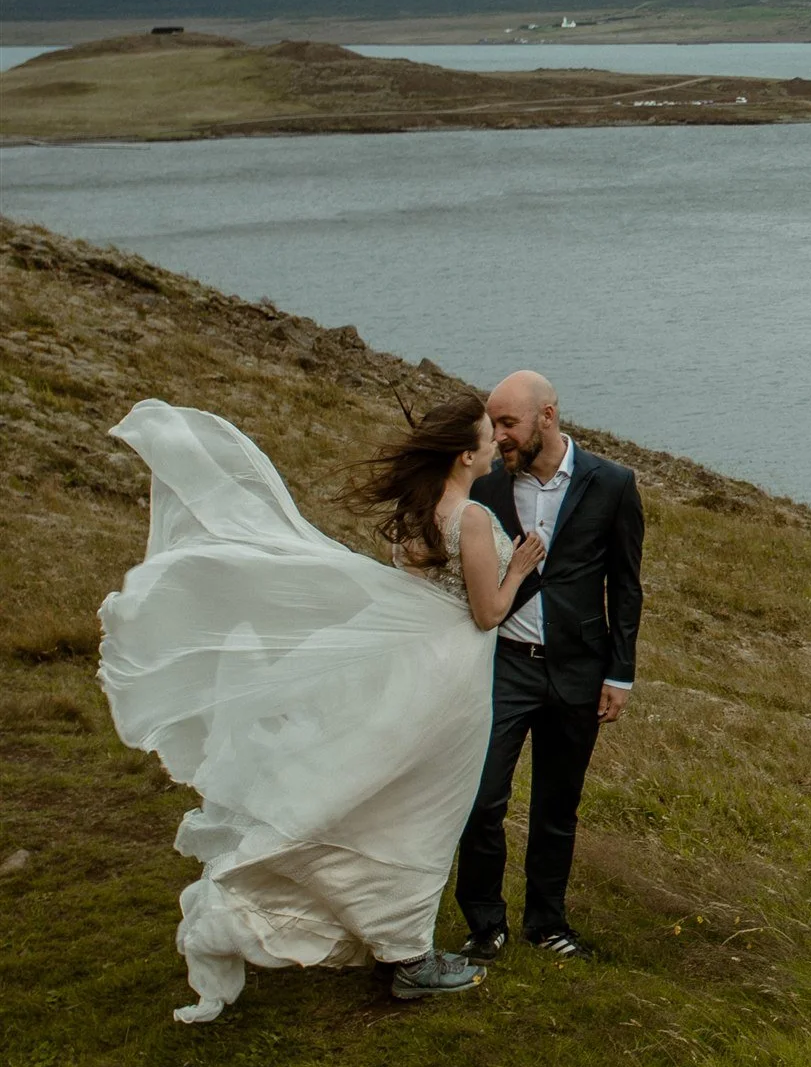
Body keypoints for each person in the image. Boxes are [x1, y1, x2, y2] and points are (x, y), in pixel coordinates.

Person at [98, 392, 543, 1022]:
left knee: (393, 802)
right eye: (487, 437)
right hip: (452, 677)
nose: (498, 443)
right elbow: (487, 613)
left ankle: (396, 940)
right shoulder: (467, 518)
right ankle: (409, 957)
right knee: (425, 811)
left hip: (417, 668)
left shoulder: (419, 509)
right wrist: (520, 567)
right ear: (465, 455)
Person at [455, 370, 645, 961]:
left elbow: (626, 586)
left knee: (557, 805)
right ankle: (485, 924)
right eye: (494, 424)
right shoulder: (486, 484)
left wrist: (620, 674)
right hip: (502, 668)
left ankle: (547, 924)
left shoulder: (612, 484)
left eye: (508, 423)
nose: (499, 435)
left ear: (547, 416)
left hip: (578, 671)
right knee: (483, 799)